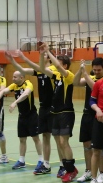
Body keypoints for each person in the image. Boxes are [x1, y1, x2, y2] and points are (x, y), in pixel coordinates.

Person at [7, 48, 62, 176]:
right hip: (43, 108)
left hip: (53, 107)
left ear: (49, 58)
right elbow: (22, 70)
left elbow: (39, 68)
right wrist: (13, 61)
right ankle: (46, 165)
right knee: (45, 137)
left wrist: (23, 57)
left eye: (44, 54)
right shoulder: (39, 71)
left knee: (57, 138)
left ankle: (62, 165)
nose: (41, 56)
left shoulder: (53, 70)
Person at [39, 49, 86, 183]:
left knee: (63, 142)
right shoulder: (57, 77)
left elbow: (58, 67)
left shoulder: (68, 75)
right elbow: (42, 69)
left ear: (65, 65)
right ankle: (67, 168)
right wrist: (42, 55)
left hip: (66, 112)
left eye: (58, 63)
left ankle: (71, 170)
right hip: (55, 112)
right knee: (59, 143)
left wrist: (49, 51)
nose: (55, 65)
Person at [0, 71, 43, 170]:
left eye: (15, 77)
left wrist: (15, 102)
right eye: (13, 77)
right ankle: (21, 161)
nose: (13, 79)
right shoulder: (14, 85)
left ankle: (41, 160)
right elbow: (3, 91)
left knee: (35, 138)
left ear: (21, 77)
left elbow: (26, 94)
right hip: (22, 116)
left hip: (32, 115)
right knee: (22, 139)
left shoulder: (28, 84)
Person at [75, 57, 103, 183]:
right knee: (86, 145)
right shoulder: (90, 77)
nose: (97, 72)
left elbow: (95, 88)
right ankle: (88, 171)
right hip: (87, 114)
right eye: (95, 70)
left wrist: (86, 74)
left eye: (99, 70)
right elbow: (75, 83)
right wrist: (80, 70)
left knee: (99, 147)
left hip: (99, 116)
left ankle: (101, 173)